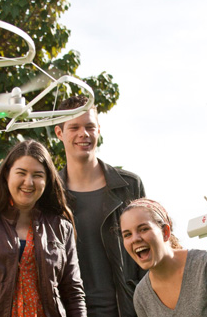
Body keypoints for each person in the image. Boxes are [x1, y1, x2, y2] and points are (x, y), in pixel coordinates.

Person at [0, 139, 86, 316]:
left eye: (37, 175)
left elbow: (73, 292)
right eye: (21, 172)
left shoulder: (61, 227)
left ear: (47, 180)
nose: (28, 182)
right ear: (7, 175)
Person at [54, 95, 146, 317]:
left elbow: (152, 254)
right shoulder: (49, 194)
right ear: (59, 133)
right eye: (74, 127)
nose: (82, 134)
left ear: (98, 130)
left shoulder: (129, 186)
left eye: (89, 127)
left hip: (128, 311)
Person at [120, 198, 207, 317]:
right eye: (127, 235)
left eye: (143, 229)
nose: (135, 239)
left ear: (165, 232)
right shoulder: (141, 295)